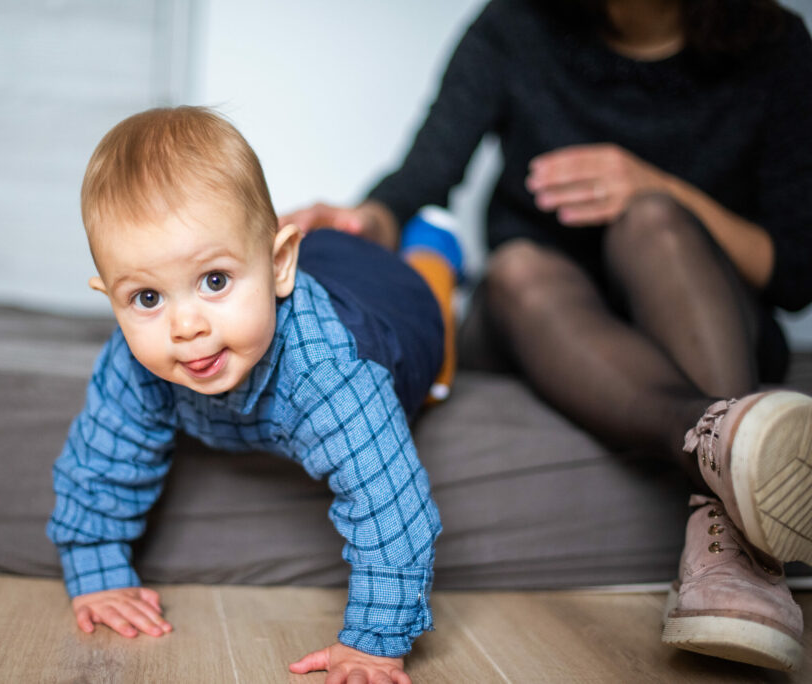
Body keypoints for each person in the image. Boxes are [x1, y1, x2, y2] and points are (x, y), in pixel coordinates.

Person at [281, 0, 812, 672]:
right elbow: (419, 181)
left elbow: (794, 271)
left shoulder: (777, 46)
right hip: (545, 323)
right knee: (516, 268)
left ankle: (729, 527)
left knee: (653, 218)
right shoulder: (514, 26)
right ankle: (727, 442)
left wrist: (660, 187)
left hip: (702, 318)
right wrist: (359, 221)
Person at [46, 106, 464, 683]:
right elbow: (103, 460)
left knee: (435, 343)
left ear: (277, 266)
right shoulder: (133, 361)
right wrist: (95, 568)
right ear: (111, 299)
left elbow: (393, 510)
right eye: (146, 298)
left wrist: (374, 640)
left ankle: (435, 249)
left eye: (214, 281)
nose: (185, 326)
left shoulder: (334, 374)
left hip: (391, 300)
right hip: (308, 262)